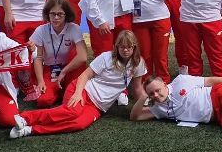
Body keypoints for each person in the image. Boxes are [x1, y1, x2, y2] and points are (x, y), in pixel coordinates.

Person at [9, 30, 146, 139]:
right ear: (117, 47)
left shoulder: (138, 63)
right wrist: (78, 93)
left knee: (79, 124)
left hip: (99, 106)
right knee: (71, 112)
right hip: (84, 90)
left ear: (134, 48)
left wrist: (148, 102)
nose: (126, 50)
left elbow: (138, 87)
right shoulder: (107, 57)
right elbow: (84, 75)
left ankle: (30, 130)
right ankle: (25, 118)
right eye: (122, 47)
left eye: (129, 47)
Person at [29, 0, 88, 108]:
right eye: (52, 14)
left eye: (60, 14)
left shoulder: (74, 28)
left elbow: (83, 56)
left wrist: (64, 71)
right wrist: (40, 81)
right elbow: (38, 57)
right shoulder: (41, 30)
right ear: (48, 14)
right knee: (43, 101)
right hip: (50, 70)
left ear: (67, 15)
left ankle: (65, 89)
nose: (56, 18)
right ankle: (59, 90)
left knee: (71, 100)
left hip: (70, 69)